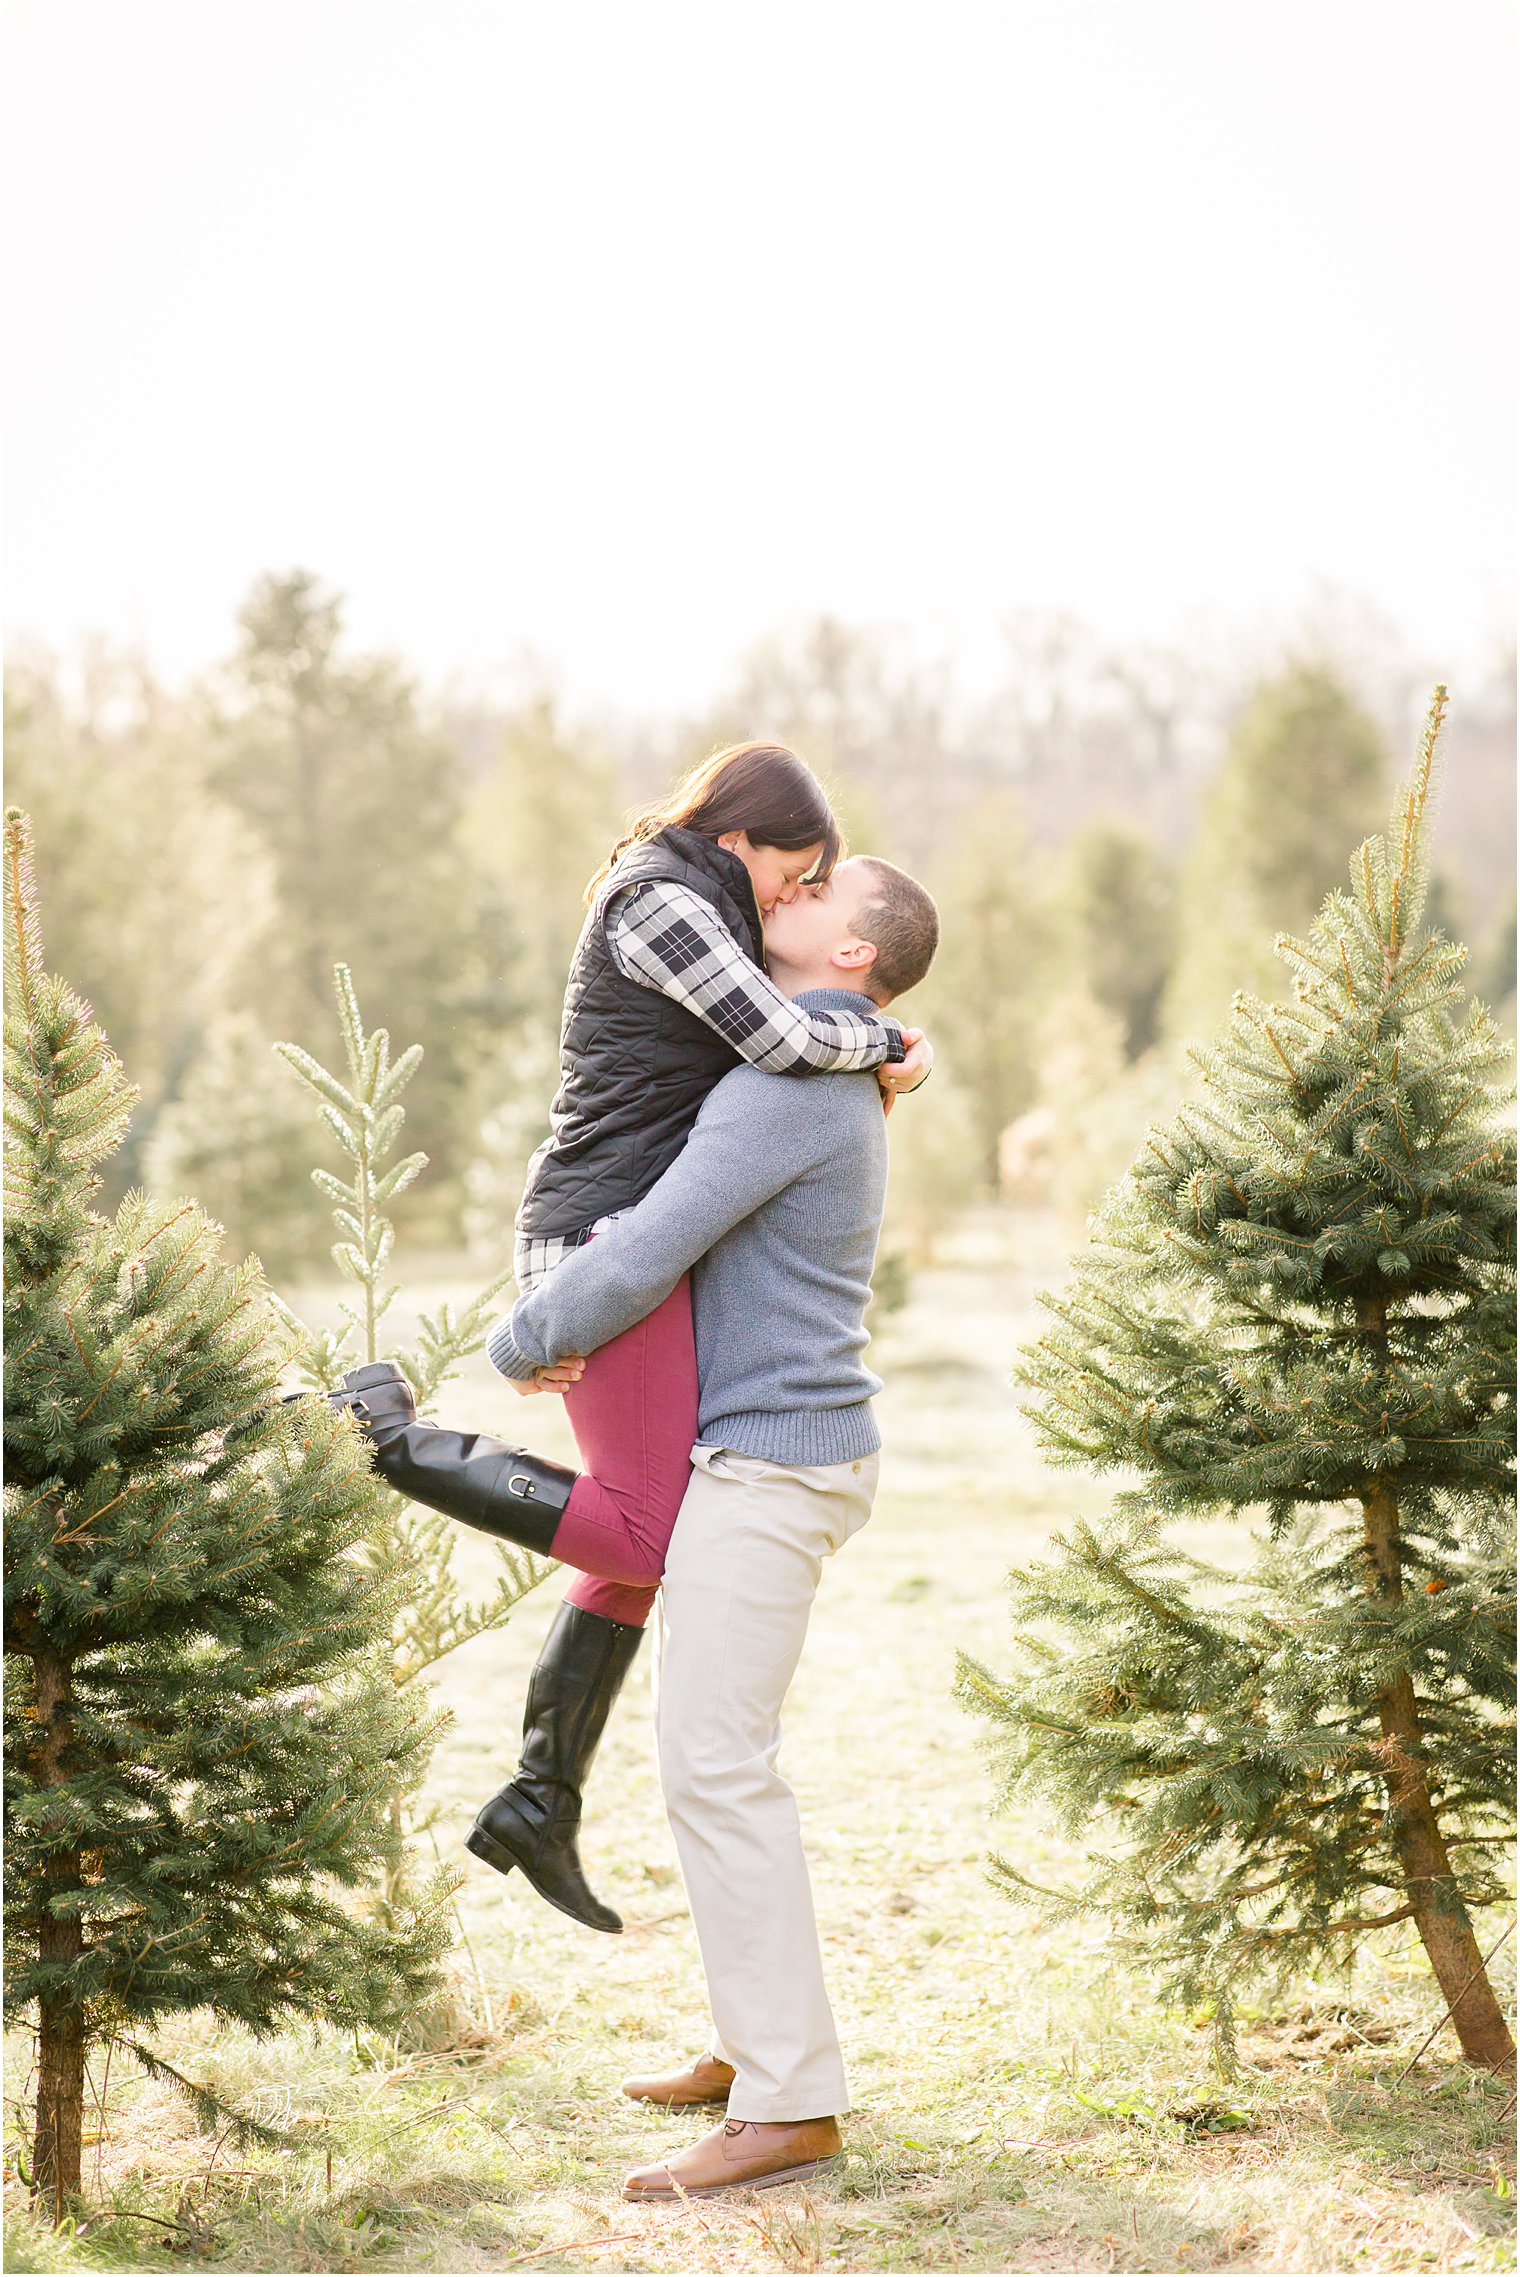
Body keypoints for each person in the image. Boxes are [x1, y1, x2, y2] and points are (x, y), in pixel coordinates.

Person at [330, 744, 932, 1936]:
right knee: (647, 1533)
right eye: (793, 873)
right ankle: (390, 1442)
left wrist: (885, 1043)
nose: (790, 897)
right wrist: (890, 1044)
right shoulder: (658, 902)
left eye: (815, 889)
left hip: (629, 1244)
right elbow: (780, 1040)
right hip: (605, 1244)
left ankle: (539, 1800)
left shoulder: (705, 899)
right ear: (742, 839)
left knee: (632, 1545)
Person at [484, 851, 940, 2197]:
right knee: (713, 1764)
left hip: (770, 1465)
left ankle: (790, 2103)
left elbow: (644, 1247)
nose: (776, 903)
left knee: (718, 1766)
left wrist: (521, 1339)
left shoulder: (784, 1088)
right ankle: (759, 2049)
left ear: (850, 954)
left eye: (810, 897)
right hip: (774, 1456)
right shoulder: (828, 1070)